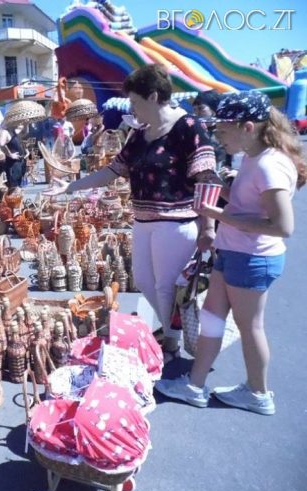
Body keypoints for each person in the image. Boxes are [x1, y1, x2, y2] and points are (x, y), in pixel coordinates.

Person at [45, 64, 219, 357]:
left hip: (176, 224)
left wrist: (209, 227)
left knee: (165, 287)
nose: (133, 109)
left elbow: (207, 177)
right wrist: (71, 186)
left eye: (136, 102)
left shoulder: (188, 127)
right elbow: (113, 171)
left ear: (153, 97)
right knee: (143, 281)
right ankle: (171, 331)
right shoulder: (140, 134)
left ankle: (172, 344)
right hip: (143, 221)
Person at [155, 91, 305, 415]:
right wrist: (220, 189)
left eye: (222, 130)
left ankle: (258, 393)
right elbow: (246, 203)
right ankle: (194, 385)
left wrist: (216, 213)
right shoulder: (253, 157)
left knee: (251, 328)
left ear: (247, 127)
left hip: (252, 258)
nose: (217, 137)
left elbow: (283, 226)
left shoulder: (269, 165)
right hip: (234, 251)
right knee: (212, 317)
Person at [0, 121, 29, 190]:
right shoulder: (5, 132)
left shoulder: (14, 131)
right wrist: (10, 155)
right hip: (13, 164)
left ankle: (17, 196)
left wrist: (26, 123)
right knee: (14, 188)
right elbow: (1, 144)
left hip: (20, 162)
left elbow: (25, 132)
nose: (18, 123)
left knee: (18, 186)